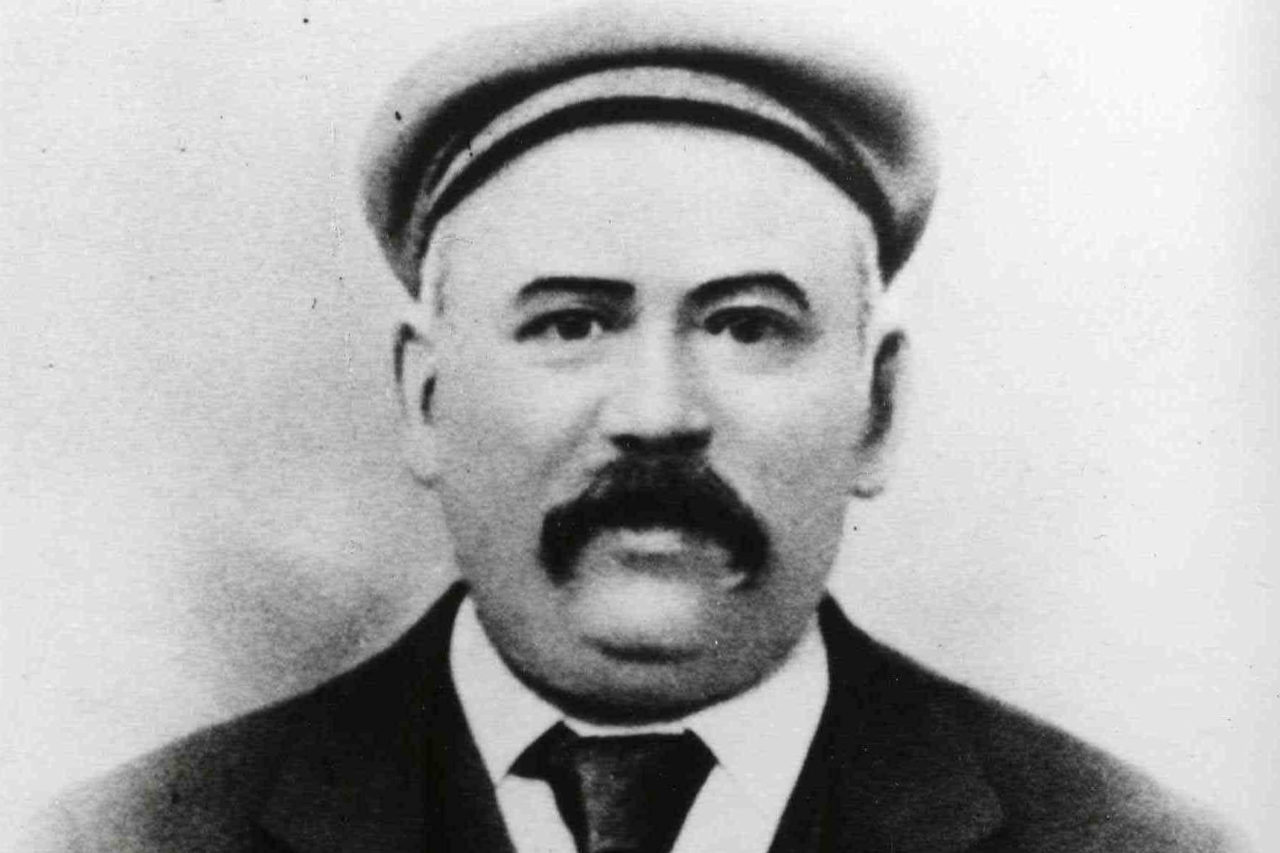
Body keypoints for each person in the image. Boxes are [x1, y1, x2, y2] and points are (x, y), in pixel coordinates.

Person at [36, 4, 1236, 852]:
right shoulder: (121, 839)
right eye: (569, 324)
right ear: (424, 399)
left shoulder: (1138, 844)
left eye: (747, 326)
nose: (657, 415)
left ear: (876, 409)